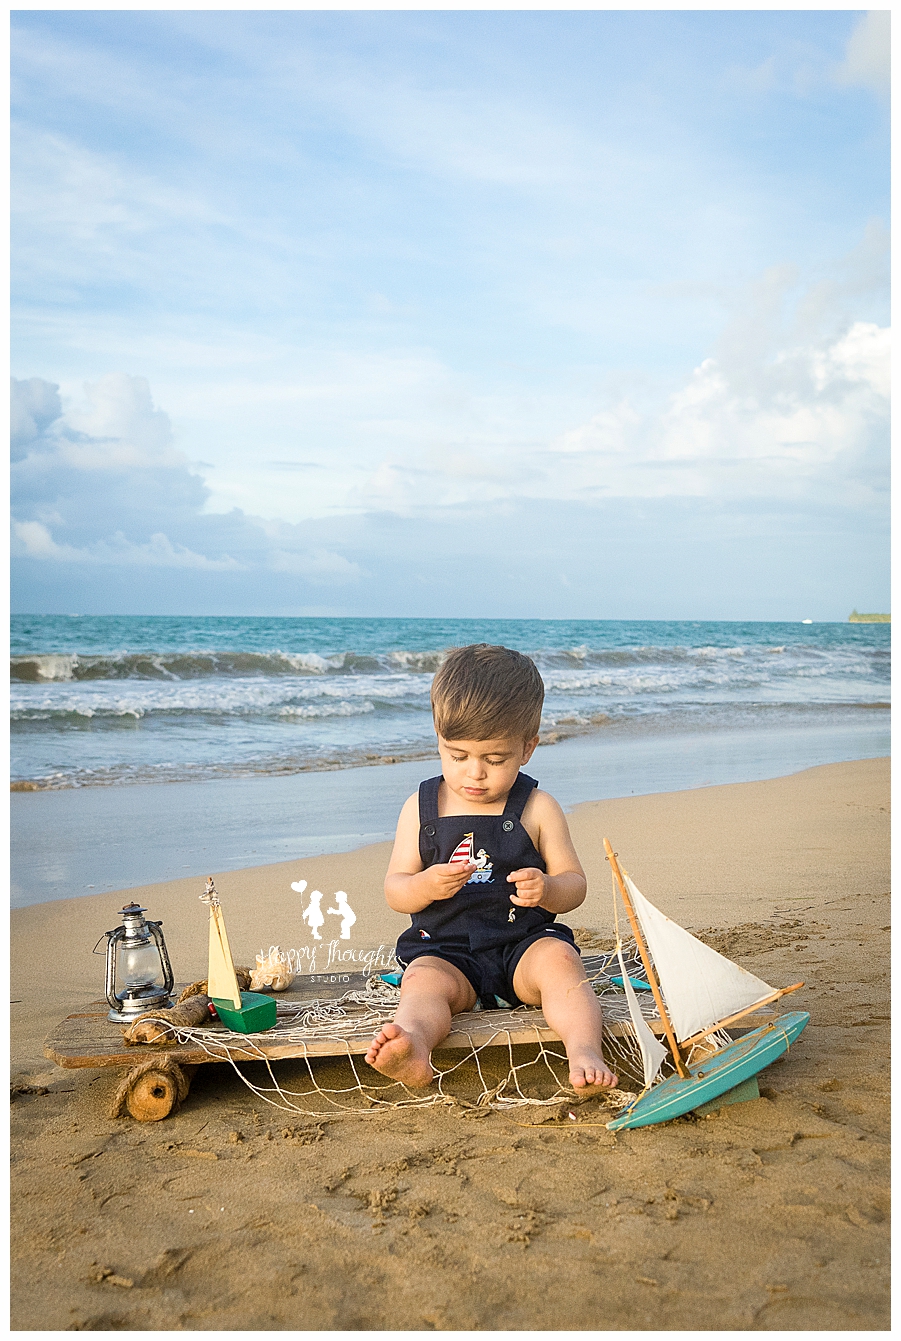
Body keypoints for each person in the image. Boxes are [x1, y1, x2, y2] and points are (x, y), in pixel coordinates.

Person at [365, 643, 618, 1093]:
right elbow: (395, 889)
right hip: (447, 951)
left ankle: (583, 1049)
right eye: (457, 755)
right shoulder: (420, 808)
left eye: (494, 759)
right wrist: (424, 884)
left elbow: (574, 884)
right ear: (439, 740)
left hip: (523, 945)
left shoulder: (538, 807)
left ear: (527, 748)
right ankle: (415, 1044)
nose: (474, 773)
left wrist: (547, 888)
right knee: (422, 983)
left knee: (562, 963)